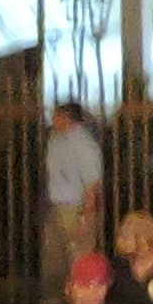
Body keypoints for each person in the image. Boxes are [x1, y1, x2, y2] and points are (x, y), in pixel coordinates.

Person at [41, 100, 106, 291]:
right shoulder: (56, 140)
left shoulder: (84, 145)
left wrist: (86, 216)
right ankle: (56, 299)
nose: (53, 120)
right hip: (58, 205)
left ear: (67, 118)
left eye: (57, 116)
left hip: (75, 207)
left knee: (78, 258)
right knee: (54, 258)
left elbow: (93, 184)